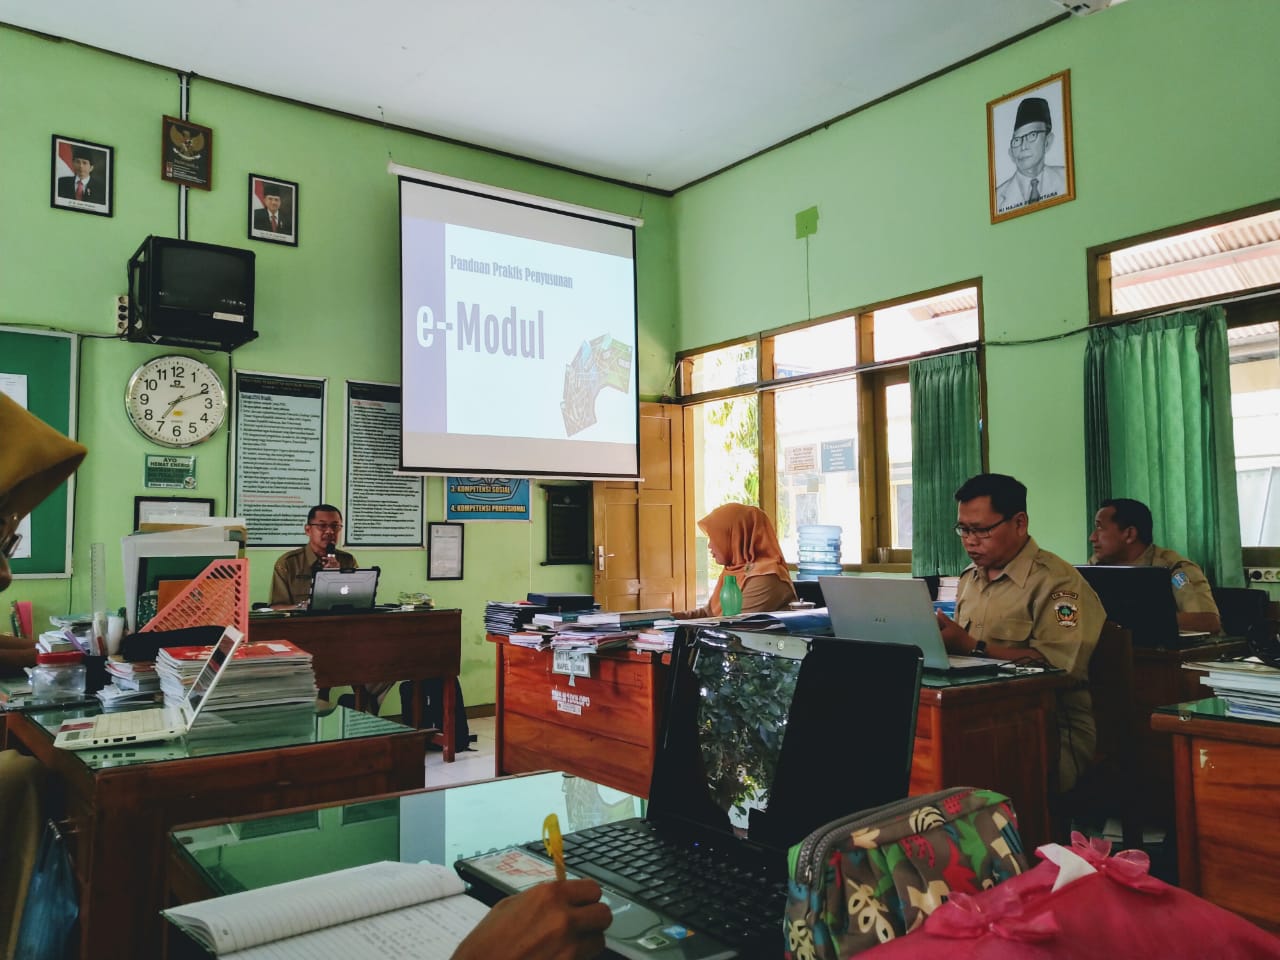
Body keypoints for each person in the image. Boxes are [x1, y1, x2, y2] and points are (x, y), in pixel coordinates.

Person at [936, 473, 1104, 792]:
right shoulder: (970, 579)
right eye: (964, 529)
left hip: (1049, 727)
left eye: (982, 530)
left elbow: (1061, 668)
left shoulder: (1057, 583)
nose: (970, 540)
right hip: (977, 719)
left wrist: (973, 646)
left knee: (970, 779)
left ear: (1019, 523)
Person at [1089, 497, 1222, 635]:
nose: (1092, 537)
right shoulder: (1096, 565)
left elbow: (1209, 622)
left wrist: (1140, 620)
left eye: (1100, 528)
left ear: (1129, 534)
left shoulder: (1174, 568)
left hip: (1162, 654)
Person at [673, 503, 797, 618]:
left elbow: (735, 624)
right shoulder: (734, 570)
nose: (709, 546)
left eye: (714, 538)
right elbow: (708, 613)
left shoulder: (766, 576)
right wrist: (666, 619)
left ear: (734, 538)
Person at [269, 504, 356, 607]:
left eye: (335, 526)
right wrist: (303, 607)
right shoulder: (288, 563)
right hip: (302, 622)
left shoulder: (348, 561)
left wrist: (338, 577)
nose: (330, 531)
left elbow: (359, 601)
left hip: (340, 622)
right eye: (322, 526)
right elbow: (276, 607)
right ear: (308, 530)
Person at [994, 96, 1067, 214]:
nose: (1023, 146)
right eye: (1017, 140)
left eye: (1032, 135)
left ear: (1047, 141)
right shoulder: (997, 198)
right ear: (1011, 152)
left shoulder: (1066, 178)